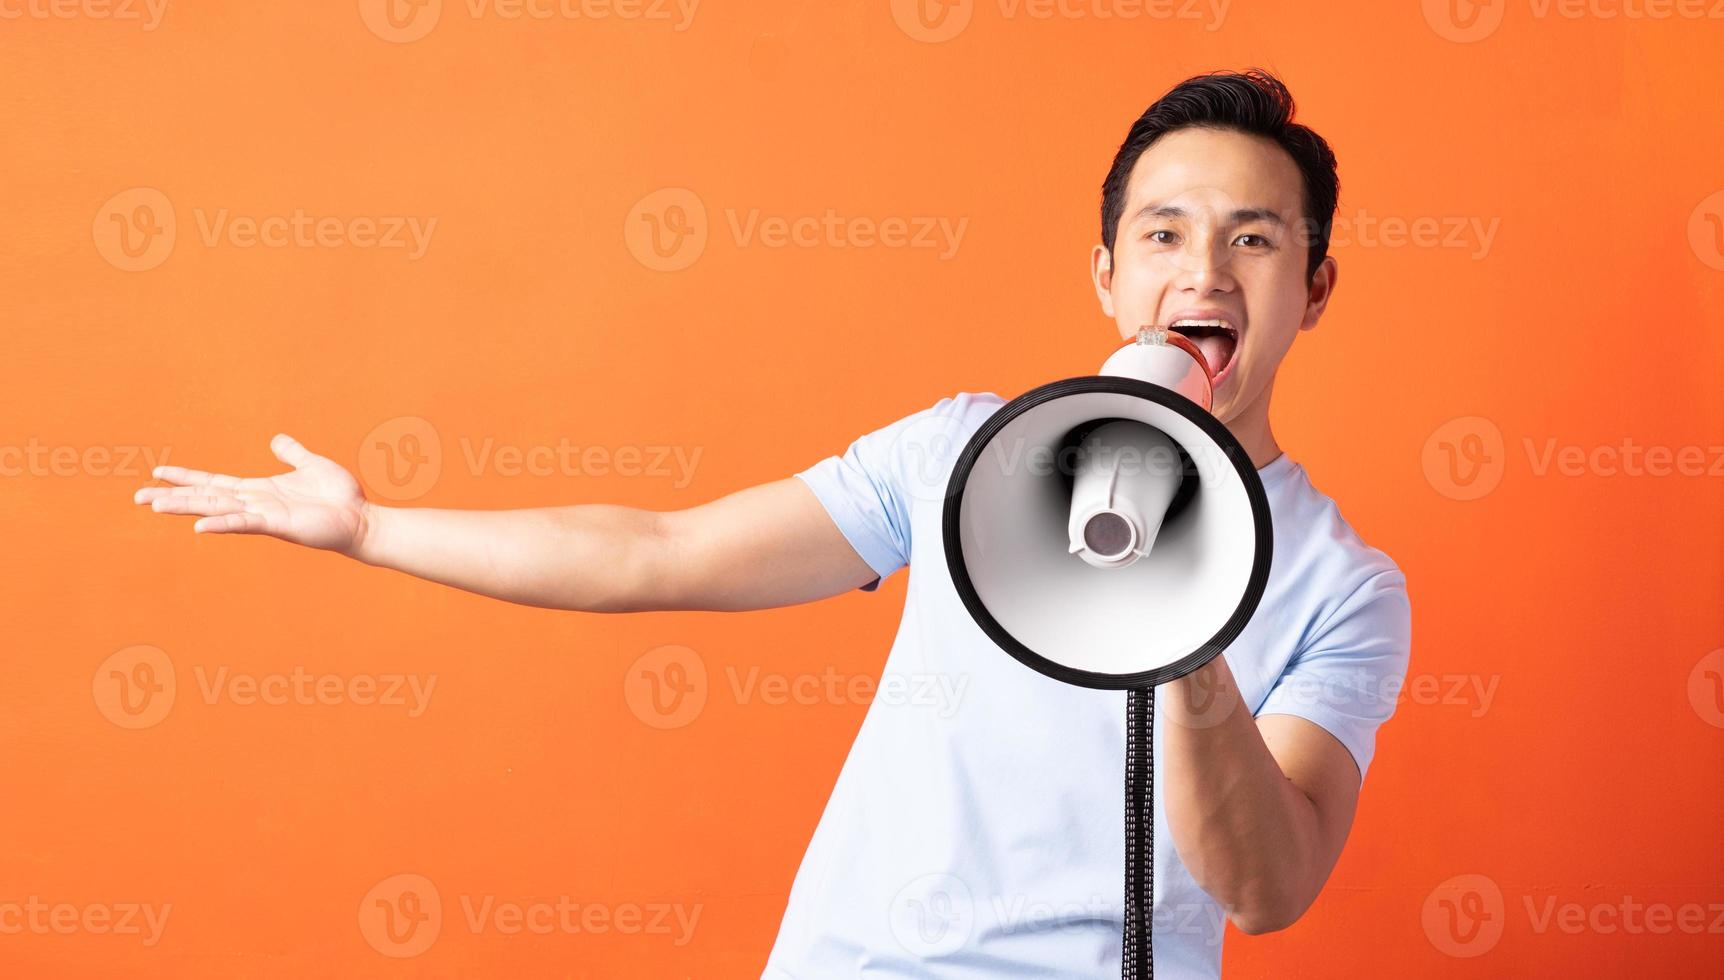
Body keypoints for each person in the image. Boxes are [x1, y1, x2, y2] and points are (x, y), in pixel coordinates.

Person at [134, 68, 1411, 979]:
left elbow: (1268, 889)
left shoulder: (1341, 585)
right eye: (1163, 233)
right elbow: (659, 550)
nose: (1202, 272)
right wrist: (372, 529)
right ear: (1106, 274)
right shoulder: (963, 454)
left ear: (1312, 286)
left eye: (1251, 239)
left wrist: (1179, 628)